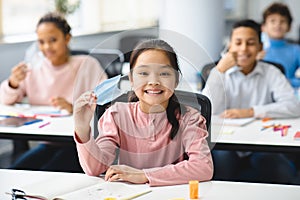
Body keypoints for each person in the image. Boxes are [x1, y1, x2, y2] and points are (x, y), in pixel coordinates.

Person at [73, 39, 213, 186]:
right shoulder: (116, 114)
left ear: (176, 80)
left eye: (164, 73)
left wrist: (145, 175)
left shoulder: (190, 118)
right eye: (144, 73)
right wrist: (82, 129)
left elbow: (203, 167)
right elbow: (95, 168)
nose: (153, 81)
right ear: (132, 80)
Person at [0, 12, 107, 172]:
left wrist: (75, 108)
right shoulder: (32, 68)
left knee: (45, 174)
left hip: (79, 145)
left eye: (53, 40)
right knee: (14, 171)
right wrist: (13, 82)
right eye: (41, 42)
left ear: (67, 38)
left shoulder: (87, 64)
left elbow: (106, 101)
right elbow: (5, 100)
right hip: (48, 143)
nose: (47, 47)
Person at [202, 19, 300, 184]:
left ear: (260, 47)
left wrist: (251, 111)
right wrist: (218, 71)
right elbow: (207, 110)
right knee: (221, 164)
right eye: (238, 43)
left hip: (263, 142)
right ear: (229, 47)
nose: (244, 49)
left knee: (278, 170)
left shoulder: (272, 72)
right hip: (227, 143)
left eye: (251, 43)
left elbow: (293, 106)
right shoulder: (219, 73)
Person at [258, 2, 300, 88]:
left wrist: (288, 82)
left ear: (289, 27)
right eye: (273, 21)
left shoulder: (296, 50)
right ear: (263, 27)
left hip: (288, 93)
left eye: (283, 21)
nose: (278, 25)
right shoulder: (257, 50)